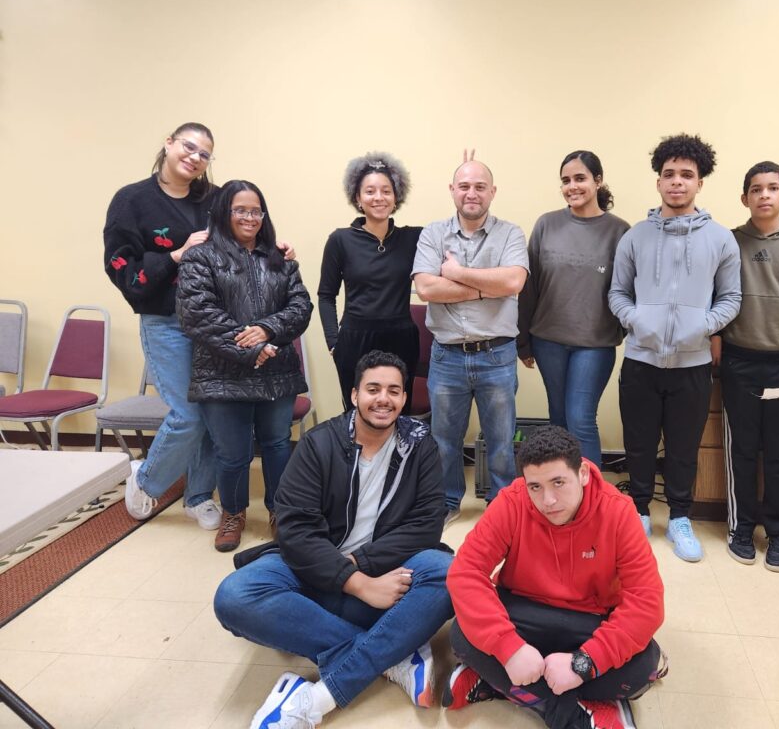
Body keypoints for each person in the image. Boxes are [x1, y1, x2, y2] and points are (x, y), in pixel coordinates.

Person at [213, 350, 454, 728]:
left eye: (394, 391)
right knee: (235, 596)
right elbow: (295, 529)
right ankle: (393, 653)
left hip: (383, 567)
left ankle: (315, 696)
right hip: (314, 568)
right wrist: (356, 583)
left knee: (448, 573)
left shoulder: (419, 444)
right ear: (355, 395)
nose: (383, 399)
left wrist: (359, 567)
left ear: (404, 398)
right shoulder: (319, 444)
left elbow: (426, 524)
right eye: (373, 389)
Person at [445, 426, 666, 729]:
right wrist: (509, 648)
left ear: (583, 474)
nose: (548, 500)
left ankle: (499, 684)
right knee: (461, 633)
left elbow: (647, 601)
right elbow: (466, 572)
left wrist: (583, 664)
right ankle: (575, 714)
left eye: (558, 482)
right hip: (523, 613)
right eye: (535, 487)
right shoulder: (511, 502)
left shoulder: (619, 512)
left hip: (588, 622)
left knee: (643, 665)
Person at [608, 133, 741, 562]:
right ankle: (639, 511)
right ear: (658, 182)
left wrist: (704, 325)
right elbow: (617, 294)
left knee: (683, 448)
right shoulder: (635, 237)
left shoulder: (720, 239)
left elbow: (731, 298)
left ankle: (680, 518)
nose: (677, 182)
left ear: (700, 182)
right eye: (669, 174)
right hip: (641, 360)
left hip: (692, 364)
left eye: (686, 174)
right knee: (639, 444)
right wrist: (637, 320)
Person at [176, 180, 313, 552]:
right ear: (224, 212)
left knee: (278, 444)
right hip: (221, 373)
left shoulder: (280, 258)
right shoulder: (200, 257)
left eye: (256, 211)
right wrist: (251, 347)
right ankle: (233, 513)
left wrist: (267, 330)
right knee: (232, 453)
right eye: (240, 210)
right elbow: (197, 314)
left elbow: (301, 307)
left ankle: (281, 512)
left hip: (276, 371)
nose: (249, 218)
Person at [102, 122, 222, 528]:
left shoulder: (213, 199)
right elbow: (121, 267)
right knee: (188, 414)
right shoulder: (131, 200)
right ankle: (147, 481)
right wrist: (175, 255)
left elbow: (244, 238)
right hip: (165, 320)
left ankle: (199, 496)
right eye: (189, 146)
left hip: (213, 321)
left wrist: (276, 248)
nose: (195, 157)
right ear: (168, 144)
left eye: (204, 154)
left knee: (214, 412)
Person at [710, 162, 779, 571]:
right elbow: (716, 296)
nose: (764, 195)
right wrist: (716, 338)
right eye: (756, 189)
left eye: (773, 188)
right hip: (738, 363)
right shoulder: (729, 241)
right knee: (740, 450)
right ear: (745, 198)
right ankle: (741, 528)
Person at [412, 159, 529, 525]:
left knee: (501, 441)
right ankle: (447, 501)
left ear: (492, 192)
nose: (471, 193)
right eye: (464, 186)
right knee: (443, 440)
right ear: (452, 190)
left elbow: (513, 282)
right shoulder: (433, 234)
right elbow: (426, 288)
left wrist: (457, 274)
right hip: (447, 356)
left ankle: (500, 505)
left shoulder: (510, 234)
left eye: (480, 186)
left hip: (497, 354)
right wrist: (484, 289)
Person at [518, 151, 630, 467]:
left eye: (580, 178)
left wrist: (618, 329)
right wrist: (522, 341)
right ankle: (561, 487)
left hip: (594, 344)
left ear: (598, 181)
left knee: (580, 418)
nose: (572, 186)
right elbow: (529, 285)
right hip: (547, 341)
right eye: (566, 181)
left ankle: (590, 491)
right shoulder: (546, 224)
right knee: (558, 419)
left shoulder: (619, 231)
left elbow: (628, 289)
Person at [318, 152, 421, 411]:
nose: (378, 198)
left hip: (402, 339)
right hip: (355, 339)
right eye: (370, 191)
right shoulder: (340, 240)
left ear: (396, 197)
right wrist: (333, 341)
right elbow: (326, 295)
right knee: (358, 415)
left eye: (386, 191)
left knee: (397, 414)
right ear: (357, 198)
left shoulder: (413, 238)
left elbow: (456, 231)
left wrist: (465, 180)